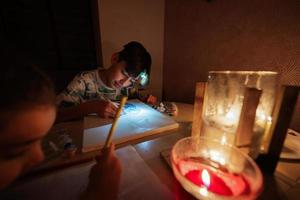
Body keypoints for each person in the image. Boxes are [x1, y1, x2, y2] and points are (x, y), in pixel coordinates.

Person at [0, 53, 121, 199]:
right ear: (114, 59)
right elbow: (60, 113)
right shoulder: (84, 80)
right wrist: (100, 194)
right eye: (16, 151)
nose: (40, 157)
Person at [56, 41, 152, 122]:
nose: (124, 83)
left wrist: (145, 100)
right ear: (114, 58)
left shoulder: (128, 88)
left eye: (132, 80)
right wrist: (92, 107)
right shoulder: (83, 82)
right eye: (123, 73)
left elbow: (136, 101)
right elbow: (56, 114)